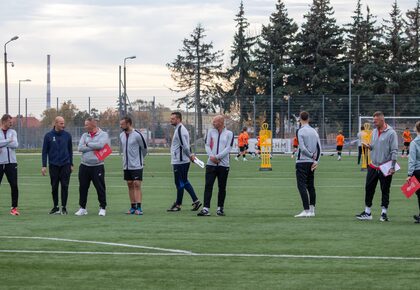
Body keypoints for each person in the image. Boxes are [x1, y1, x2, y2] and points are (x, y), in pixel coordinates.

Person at [356, 111, 398, 222]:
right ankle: (367, 212)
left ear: (382, 119)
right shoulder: (374, 131)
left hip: (386, 167)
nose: (374, 122)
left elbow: (394, 151)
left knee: (385, 190)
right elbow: (374, 146)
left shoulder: (391, 133)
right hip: (373, 166)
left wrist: (392, 166)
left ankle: (384, 213)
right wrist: (369, 146)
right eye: (373, 120)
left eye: (375, 120)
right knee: (369, 188)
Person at [197, 115, 234, 217]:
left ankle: (220, 208)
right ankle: (205, 209)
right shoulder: (210, 132)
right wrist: (212, 157)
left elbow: (228, 148)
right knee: (208, 186)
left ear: (221, 122)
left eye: (215, 121)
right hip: (211, 164)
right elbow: (207, 145)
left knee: (222, 187)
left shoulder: (229, 133)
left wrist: (218, 157)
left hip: (223, 164)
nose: (213, 123)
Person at [167, 112, 202, 212]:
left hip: (180, 161)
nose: (171, 120)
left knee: (179, 183)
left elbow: (185, 146)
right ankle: (196, 201)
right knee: (184, 181)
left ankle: (178, 205)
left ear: (178, 119)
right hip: (181, 160)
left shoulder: (180, 130)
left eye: (173, 119)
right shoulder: (180, 129)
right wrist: (190, 155)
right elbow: (187, 145)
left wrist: (190, 155)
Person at [75, 117, 110, 216]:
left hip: (97, 166)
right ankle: (82, 208)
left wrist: (88, 144)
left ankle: (102, 208)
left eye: (86, 124)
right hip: (84, 165)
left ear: (93, 124)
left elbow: (100, 145)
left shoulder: (103, 134)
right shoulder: (84, 135)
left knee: (100, 188)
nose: (85, 126)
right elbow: (80, 148)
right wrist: (92, 146)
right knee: (83, 187)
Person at [41, 116, 73, 215]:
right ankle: (55, 207)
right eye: (61, 123)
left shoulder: (67, 135)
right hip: (53, 165)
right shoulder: (48, 136)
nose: (63, 125)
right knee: (54, 186)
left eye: (63, 123)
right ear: (55, 123)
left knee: (65, 186)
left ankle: (63, 207)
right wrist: (44, 165)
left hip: (65, 165)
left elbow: (70, 150)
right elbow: (44, 151)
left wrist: (71, 163)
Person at [294, 111, 321, 218]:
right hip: (311, 163)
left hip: (302, 161)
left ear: (300, 119)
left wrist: (310, 156)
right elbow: (319, 148)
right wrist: (316, 161)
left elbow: (302, 148)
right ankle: (312, 210)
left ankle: (306, 210)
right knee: (311, 186)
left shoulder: (300, 131)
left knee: (301, 185)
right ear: (308, 119)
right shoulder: (314, 131)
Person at [119, 116, 147, 215]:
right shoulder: (121, 135)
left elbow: (144, 149)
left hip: (137, 165)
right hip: (126, 165)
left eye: (122, 124)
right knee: (130, 184)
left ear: (128, 124)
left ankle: (139, 208)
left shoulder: (138, 135)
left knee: (137, 184)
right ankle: (132, 207)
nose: (120, 125)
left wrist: (140, 160)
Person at [0, 114, 20, 216]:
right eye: (9, 121)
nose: (11, 123)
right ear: (3, 122)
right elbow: (10, 143)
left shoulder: (13, 132)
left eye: (11, 121)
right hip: (0, 163)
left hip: (11, 163)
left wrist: (2, 144)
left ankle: (14, 208)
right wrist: (8, 141)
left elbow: (15, 145)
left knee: (14, 186)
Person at [408, 121, 420, 223]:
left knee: (419, 194)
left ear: (416, 129)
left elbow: (412, 160)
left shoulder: (414, 142)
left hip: (418, 170)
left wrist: (409, 174)